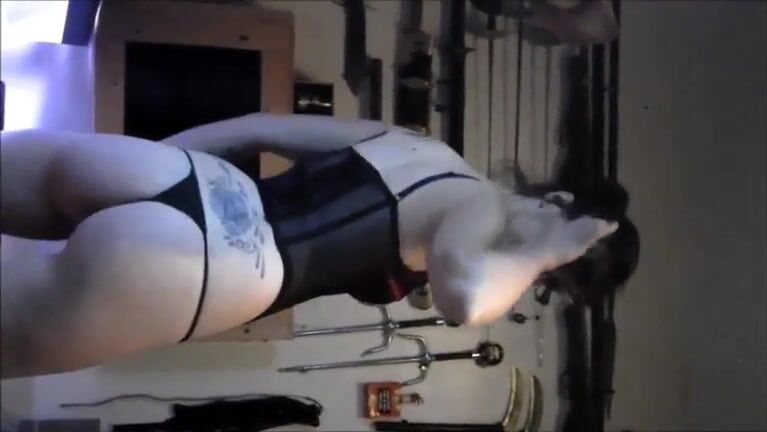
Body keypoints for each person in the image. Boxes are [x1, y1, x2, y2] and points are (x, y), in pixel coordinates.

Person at [0, 114, 619, 379]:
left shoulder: (426, 146)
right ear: (557, 204)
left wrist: (148, 173)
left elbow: (257, 127)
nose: (536, 280)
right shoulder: (482, 210)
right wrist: (544, 254)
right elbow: (467, 299)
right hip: (216, 267)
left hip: (186, 176)